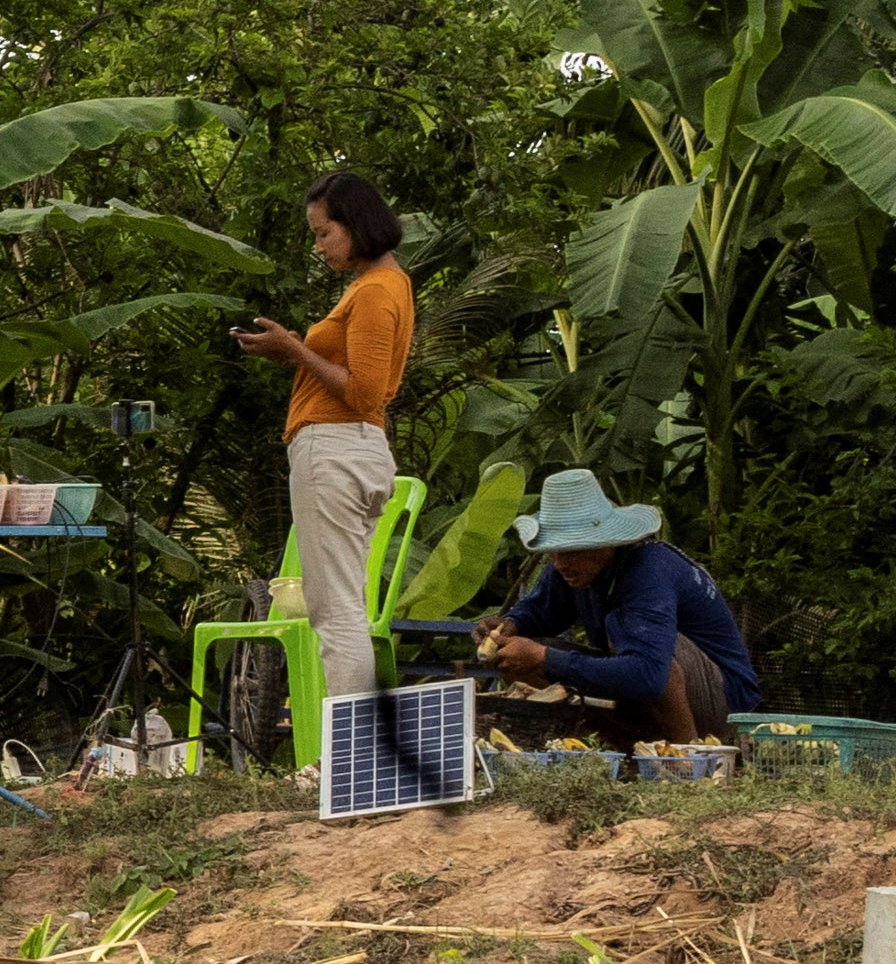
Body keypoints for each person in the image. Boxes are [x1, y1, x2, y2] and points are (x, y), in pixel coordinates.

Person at [232, 170, 416, 710]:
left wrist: (294, 350)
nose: (318, 247)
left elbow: (364, 392)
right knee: (343, 606)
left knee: (335, 611)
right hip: (353, 450)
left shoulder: (378, 290)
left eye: (323, 232)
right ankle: (353, 755)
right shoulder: (380, 286)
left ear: (356, 224)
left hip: (336, 449)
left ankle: (348, 757)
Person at [476, 468, 762, 748]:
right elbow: (542, 611)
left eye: (571, 550)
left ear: (605, 544)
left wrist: (544, 658)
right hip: (652, 683)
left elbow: (649, 675)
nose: (560, 562)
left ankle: (688, 759)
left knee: (624, 635)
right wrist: (510, 625)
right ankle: (634, 752)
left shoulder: (650, 570)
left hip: (723, 701)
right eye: (553, 551)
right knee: (516, 655)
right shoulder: (569, 566)